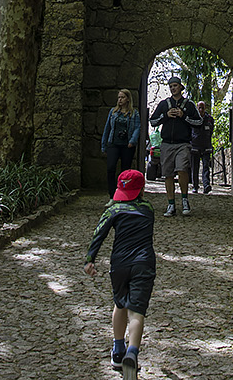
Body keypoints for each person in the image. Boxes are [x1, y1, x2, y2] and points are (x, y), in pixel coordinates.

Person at [84, 168, 155, 373]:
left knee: (119, 303)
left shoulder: (112, 211)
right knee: (136, 312)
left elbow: (99, 234)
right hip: (144, 263)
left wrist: (90, 259)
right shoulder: (148, 209)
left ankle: (117, 351)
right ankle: (132, 352)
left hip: (119, 265)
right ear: (142, 190)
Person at [148, 76, 201, 216]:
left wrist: (183, 116)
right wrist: (165, 116)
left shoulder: (189, 105)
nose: (173, 88)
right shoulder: (164, 104)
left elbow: (198, 122)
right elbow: (153, 121)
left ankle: (184, 200)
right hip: (166, 144)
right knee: (168, 174)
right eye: (171, 86)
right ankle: (171, 204)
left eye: (175, 86)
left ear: (181, 88)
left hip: (183, 143)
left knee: (182, 169)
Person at [101, 88, 141, 194]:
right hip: (113, 143)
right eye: (119, 97)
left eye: (122, 97)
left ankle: (123, 194)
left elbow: (137, 128)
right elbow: (107, 128)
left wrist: (132, 141)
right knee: (110, 168)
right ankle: (112, 194)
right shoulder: (113, 112)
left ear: (128, 99)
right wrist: (104, 144)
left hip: (126, 145)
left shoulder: (134, 114)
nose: (120, 99)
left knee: (125, 172)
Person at [189, 100, 215, 194]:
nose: (201, 110)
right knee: (194, 168)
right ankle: (195, 186)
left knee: (206, 167)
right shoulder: (193, 118)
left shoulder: (210, 119)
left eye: (202, 108)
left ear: (205, 108)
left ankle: (206, 185)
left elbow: (211, 131)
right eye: (199, 108)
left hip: (206, 146)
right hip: (195, 146)